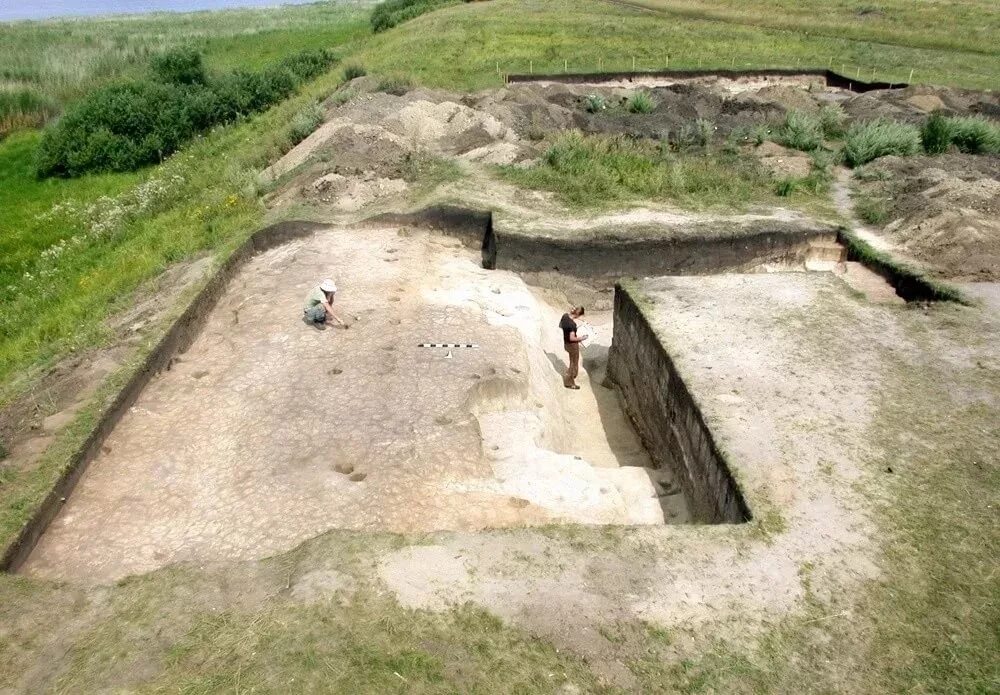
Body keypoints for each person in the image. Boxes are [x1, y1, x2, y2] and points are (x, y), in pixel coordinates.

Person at [559, 306, 587, 389]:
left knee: (572, 361)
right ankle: (569, 382)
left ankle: (573, 375)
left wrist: (570, 331)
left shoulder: (565, 316)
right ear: (578, 315)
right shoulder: (572, 324)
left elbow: (561, 326)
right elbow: (572, 338)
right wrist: (582, 338)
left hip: (566, 343)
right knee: (573, 363)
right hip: (572, 345)